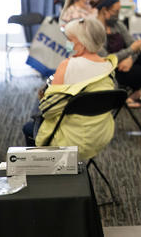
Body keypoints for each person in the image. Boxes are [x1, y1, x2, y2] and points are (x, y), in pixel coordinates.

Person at [23, 17, 117, 161]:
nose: (66, 42)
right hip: (100, 135)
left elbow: (47, 110)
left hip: (70, 139)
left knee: (29, 127)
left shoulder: (68, 65)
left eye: (69, 39)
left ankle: (41, 170)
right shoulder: (109, 67)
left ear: (81, 42)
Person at [94, 0, 141, 137]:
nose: (118, 15)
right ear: (104, 10)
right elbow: (106, 58)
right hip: (113, 72)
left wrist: (130, 59)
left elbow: (136, 48)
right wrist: (130, 52)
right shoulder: (95, 29)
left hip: (127, 66)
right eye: (115, 11)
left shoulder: (118, 25)